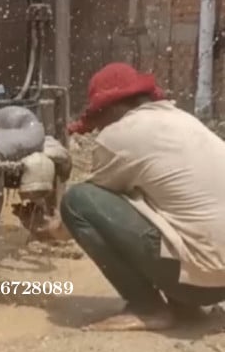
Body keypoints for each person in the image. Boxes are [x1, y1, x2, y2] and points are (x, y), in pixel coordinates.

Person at [18, 63, 225, 331]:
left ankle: (146, 307)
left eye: (98, 119)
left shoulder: (120, 135)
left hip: (199, 281)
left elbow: (89, 210)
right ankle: (186, 306)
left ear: (113, 108)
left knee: (76, 200)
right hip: (219, 283)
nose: (97, 130)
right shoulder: (182, 120)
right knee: (164, 203)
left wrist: (51, 230)